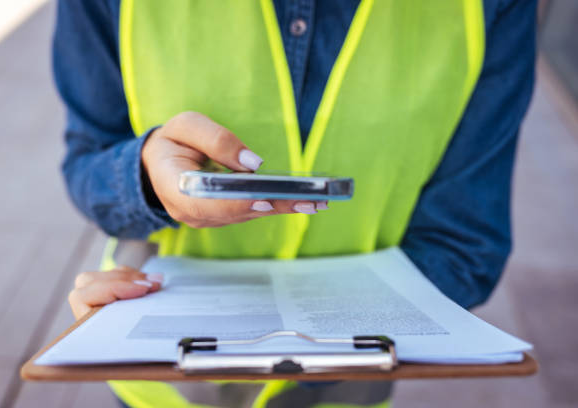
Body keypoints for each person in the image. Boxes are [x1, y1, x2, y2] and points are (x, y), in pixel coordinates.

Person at [55, 0, 537, 406]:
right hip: (161, 389)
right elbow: (88, 161)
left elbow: (466, 245)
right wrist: (142, 177)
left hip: (343, 394)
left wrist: (298, 343)